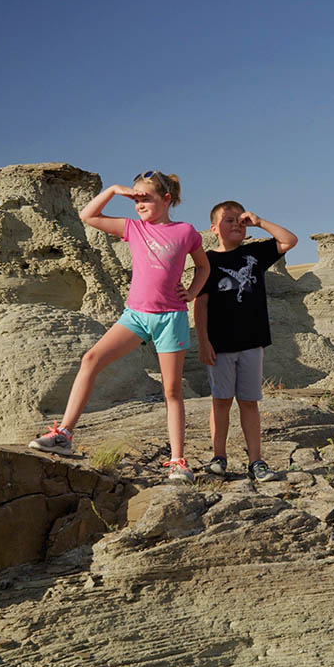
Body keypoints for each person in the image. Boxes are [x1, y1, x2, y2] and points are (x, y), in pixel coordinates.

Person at [30, 170, 209, 482]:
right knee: (91, 360)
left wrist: (192, 292)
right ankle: (64, 435)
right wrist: (113, 189)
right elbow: (88, 214)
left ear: (166, 199)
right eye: (135, 198)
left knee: (172, 390)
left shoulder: (185, 232)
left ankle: (179, 462)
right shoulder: (132, 229)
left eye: (145, 198)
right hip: (135, 316)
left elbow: (204, 266)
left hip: (171, 317)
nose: (138, 204)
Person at [194, 201, 298, 482]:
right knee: (221, 401)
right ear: (214, 229)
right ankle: (219, 457)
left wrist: (260, 221)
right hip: (220, 344)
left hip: (252, 342)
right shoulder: (207, 261)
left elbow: (290, 240)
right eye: (228, 220)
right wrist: (203, 342)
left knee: (249, 402)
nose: (236, 224)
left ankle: (256, 462)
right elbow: (200, 304)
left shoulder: (255, 253)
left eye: (240, 220)